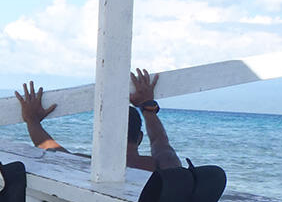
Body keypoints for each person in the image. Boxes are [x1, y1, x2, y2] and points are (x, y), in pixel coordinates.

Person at [15, 68, 181, 171]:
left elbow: (50, 149)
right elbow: (160, 143)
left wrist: (32, 120)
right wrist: (148, 107)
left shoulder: (89, 166)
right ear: (139, 138)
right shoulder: (162, 166)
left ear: (102, 136)